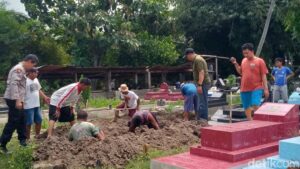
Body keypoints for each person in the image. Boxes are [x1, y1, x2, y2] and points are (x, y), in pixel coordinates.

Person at [0, 54, 39, 153]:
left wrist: (22, 101)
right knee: (13, 121)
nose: (32, 68)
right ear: (29, 61)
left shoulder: (22, 70)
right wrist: (17, 100)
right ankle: (2, 144)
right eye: (32, 65)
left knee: (22, 120)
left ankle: (23, 142)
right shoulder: (18, 69)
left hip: (18, 99)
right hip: (13, 99)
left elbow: (21, 88)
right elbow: (14, 84)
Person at [230, 43, 269, 120]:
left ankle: (259, 120)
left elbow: (264, 75)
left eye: (247, 53)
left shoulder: (260, 61)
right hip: (244, 87)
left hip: (257, 87)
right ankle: (250, 121)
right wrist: (235, 63)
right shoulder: (244, 60)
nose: (245, 55)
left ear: (252, 51)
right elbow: (240, 72)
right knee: (246, 106)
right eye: (244, 53)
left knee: (255, 104)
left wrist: (266, 89)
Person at [184, 48, 211, 121]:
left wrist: (199, 85)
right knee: (201, 101)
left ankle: (203, 120)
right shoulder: (196, 60)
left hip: (203, 84)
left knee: (202, 102)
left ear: (190, 54)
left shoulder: (198, 60)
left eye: (187, 56)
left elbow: (201, 72)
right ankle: (200, 118)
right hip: (202, 83)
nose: (187, 58)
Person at [24, 68, 50, 140]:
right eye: (36, 73)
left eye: (37, 73)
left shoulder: (35, 80)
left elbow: (38, 90)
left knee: (39, 120)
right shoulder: (25, 81)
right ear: (30, 73)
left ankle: (37, 135)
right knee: (29, 122)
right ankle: (27, 139)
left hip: (36, 105)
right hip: (28, 106)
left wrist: (45, 97)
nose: (37, 74)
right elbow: (20, 94)